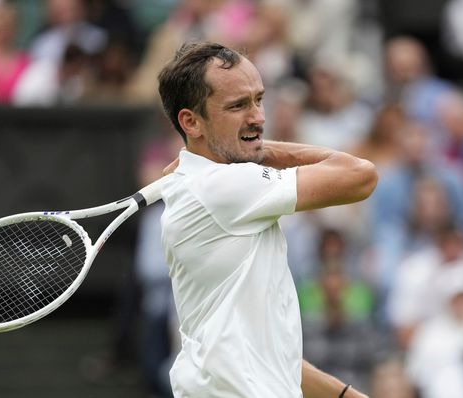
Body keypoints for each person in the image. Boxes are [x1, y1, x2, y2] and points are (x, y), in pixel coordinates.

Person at [156, 41, 377, 397]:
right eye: (238, 105)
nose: (258, 117)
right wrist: (262, 151)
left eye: (259, 99)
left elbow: (268, 354)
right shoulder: (223, 185)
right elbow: (360, 175)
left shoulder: (200, 185)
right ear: (191, 121)